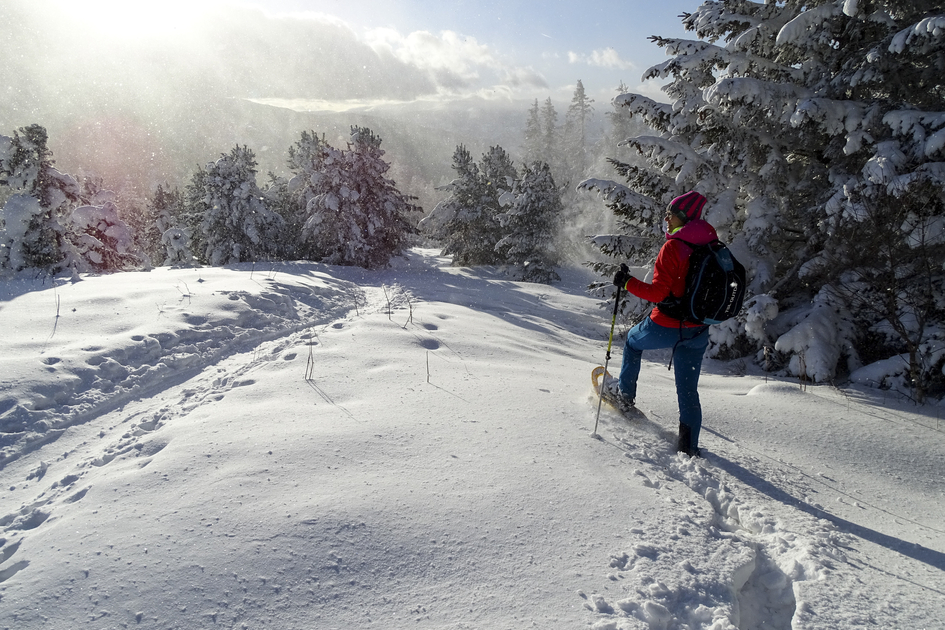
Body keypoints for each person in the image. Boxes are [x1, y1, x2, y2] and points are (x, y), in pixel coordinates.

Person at [611, 191, 716, 457]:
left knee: (633, 343)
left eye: (673, 214)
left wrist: (626, 282)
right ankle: (688, 447)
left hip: (667, 324)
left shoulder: (674, 247)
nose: (667, 219)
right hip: (698, 328)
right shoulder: (711, 244)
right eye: (667, 214)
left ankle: (625, 398)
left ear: (685, 218)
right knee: (688, 389)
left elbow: (658, 294)